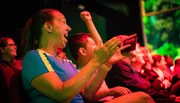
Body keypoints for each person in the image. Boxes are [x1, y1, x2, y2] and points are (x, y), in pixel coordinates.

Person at [20, 8, 154, 103]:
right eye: (63, 22)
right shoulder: (34, 57)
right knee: (143, 98)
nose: (69, 28)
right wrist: (96, 61)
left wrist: (106, 64)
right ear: (48, 27)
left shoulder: (65, 62)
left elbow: (88, 94)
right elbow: (62, 95)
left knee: (143, 98)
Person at [68, 11, 156, 103]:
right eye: (94, 45)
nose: (99, 47)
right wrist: (109, 91)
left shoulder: (97, 65)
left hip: (110, 99)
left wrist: (89, 21)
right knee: (143, 97)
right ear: (83, 51)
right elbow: (87, 96)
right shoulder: (76, 72)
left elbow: (100, 43)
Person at [0, 37, 26, 103]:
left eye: (15, 45)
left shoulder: (21, 63)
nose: (15, 47)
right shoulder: (2, 67)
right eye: (11, 45)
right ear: (2, 49)